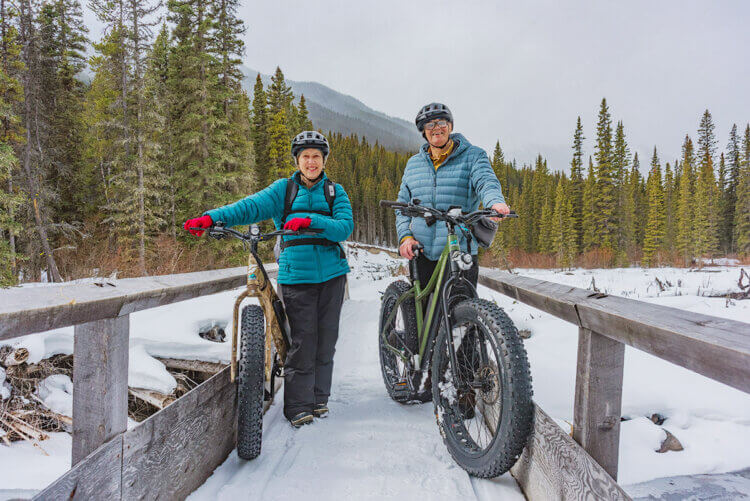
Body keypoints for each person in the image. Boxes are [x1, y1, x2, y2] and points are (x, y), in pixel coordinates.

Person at [184, 131, 353, 428]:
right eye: (305, 157)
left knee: (326, 340)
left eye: (316, 156)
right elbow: (248, 207)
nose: (311, 162)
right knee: (302, 340)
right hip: (296, 275)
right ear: (297, 161)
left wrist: (312, 221)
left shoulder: (334, 192)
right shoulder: (283, 190)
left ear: (323, 160)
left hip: (332, 275)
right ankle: (298, 406)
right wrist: (211, 218)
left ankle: (319, 397)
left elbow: (343, 228)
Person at [396, 102, 510, 288]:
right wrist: (405, 237)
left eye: (441, 122)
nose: (436, 128)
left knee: (461, 307)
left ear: (450, 126)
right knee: (421, 312)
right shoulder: (413, 164)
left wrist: (495, 202)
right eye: (430, 125)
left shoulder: (473, 156)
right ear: (424, 131)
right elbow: (401, 206)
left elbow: (486, 181)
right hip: (422, 251)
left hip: (459, 249)